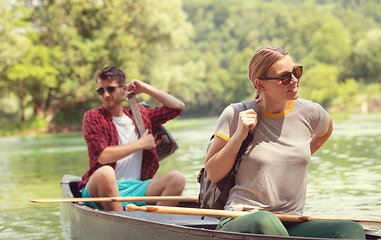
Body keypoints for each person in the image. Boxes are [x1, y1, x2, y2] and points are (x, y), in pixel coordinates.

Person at [204, 46, 365, 239]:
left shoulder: (311, 112)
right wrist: (239, 135)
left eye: (296, 72)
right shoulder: (235, 114)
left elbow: (326, 131)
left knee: (351, 230)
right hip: (242, 220)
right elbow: (213, 174)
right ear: (261, 85)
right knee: (265, 220)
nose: (295, 80)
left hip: (291, 223)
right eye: (285, 77)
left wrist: (301, 153)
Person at [78, 66, 186, 211]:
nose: (105, 95)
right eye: (101, 91)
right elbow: (103, 157)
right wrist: (140, 143)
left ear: (123, 90)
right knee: (106, 172)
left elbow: (177, 108)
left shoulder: (140, 116)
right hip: (99, 189)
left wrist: (145, 88)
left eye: (110, 89)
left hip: (135, 188)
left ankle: (152, 224)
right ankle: (121, 221)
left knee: (177, 178)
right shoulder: (93, 117)